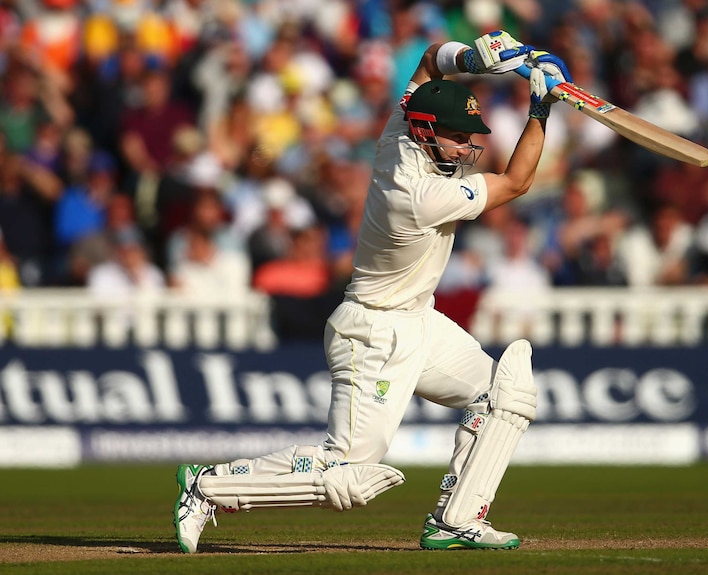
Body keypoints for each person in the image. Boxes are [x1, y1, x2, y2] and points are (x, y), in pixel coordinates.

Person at [173, 30, 572, 553]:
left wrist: (472, 58)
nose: (471, 145)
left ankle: (457, 519)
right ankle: (207, 487)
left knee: (505, 396)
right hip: (374, 332)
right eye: (460, 137)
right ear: (428, 132)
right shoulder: (420, 195)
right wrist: (540, 109)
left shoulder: (398, 131)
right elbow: (517, 182)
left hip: (418, 320)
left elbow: (431, 58)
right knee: (348, 473)